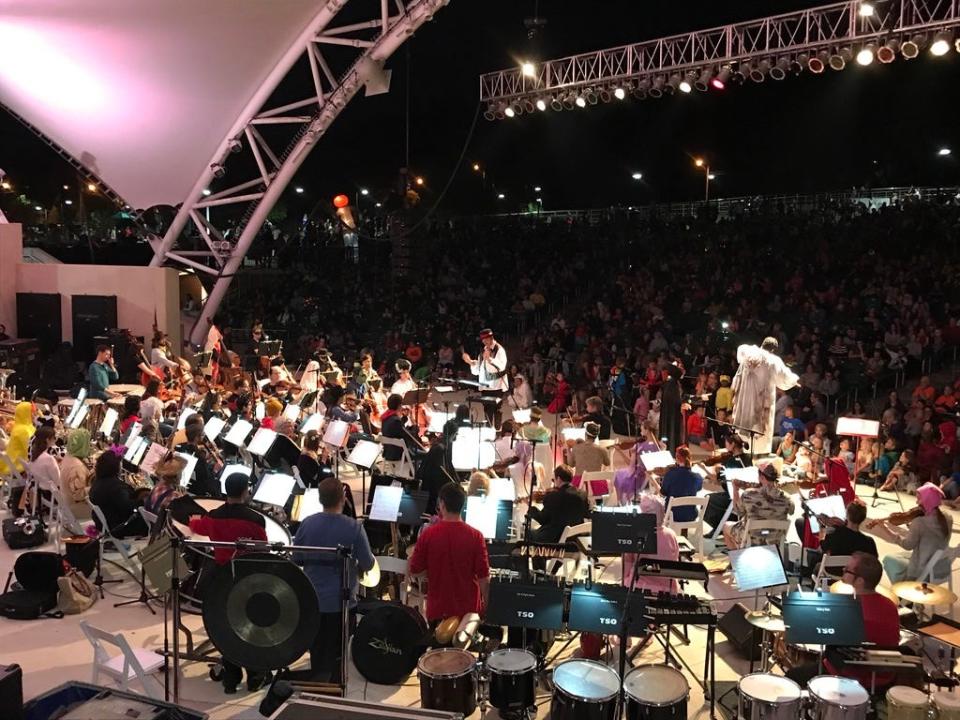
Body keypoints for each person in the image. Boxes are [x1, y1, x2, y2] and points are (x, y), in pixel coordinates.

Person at [189, 473, 270, 693]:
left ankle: (231, 677)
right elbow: (263, 549)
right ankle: (255, 676)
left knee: (228, 625)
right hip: (247, 578)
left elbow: (199, 527)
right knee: (250, 624)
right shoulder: (255, 520)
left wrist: (192, 520)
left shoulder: (214, 516)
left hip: (222, 577)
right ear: (245, 491)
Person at [294, 477, 375, 683]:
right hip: (343, 603)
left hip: (312, 600)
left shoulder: (307, 523)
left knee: (318, 649)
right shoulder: (354, 527)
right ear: (344, 497)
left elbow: (297, 559)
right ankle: (334, 687)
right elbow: (367, 564)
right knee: (338, 653)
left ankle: (316, 683)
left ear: (320, 499)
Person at [786, 552, 899, 689]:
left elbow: (826, 642)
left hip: (849, 676)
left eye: (847, 570)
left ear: (859, 581)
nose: (843, 571)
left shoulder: (847, 608)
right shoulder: (890, 606)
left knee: (792, 676)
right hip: (883, 678)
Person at [408, 482, 490, 625]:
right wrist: (487, 610)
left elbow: (414, 570)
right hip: (468, 613)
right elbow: (484, 578)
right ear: (463, 505)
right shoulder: (476, 536)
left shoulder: (428, 535)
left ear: (442, 504)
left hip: (438, 610)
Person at [868, 482, 952, 583]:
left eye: (919, 499)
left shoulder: (919, 523)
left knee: (888, 559)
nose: (917, 502)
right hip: (941, 567)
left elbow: (907, 545)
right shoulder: (948, 518)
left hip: (923, 572)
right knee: (902, 555)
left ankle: (902, 591)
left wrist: (885, 529)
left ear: (927, 501)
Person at [731, 337, 800, 455]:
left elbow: (740, 351)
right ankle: (759, 453)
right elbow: (784, 377)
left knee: (746, 423)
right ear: (773, 350)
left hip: (746, 398)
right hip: (762, 399)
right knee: (761, 425)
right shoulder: (773, 360)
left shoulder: (748, 352)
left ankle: (742, 449)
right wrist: (795, 380)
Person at [723, 463, 793, 549]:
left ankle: (736, 560)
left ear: (762, 477)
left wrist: (735, 490)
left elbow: (738, 511)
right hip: (774, 540)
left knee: (726, 526)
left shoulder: (748, 494)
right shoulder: (787, 498)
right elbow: (792, 511)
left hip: (751, 539)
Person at [89, 450, 147, 538]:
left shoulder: (97, 482)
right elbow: (129, 508)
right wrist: (142, 500)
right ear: (114, 467)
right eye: (120, 464)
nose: (121, 466)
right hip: (119, 527)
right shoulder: (115, 487)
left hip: (106, 524)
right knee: (153, 519)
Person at [526, 464, 589, 543]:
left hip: (555, 540)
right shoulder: (582, 494)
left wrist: (531, 508)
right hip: (575, 541)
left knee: (528, 533)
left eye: (554, 480)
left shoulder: (553, 496)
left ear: (558, 479)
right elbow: (586, 514)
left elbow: (542, 519)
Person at [462, 328, 508, 427]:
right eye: (482, 340)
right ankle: (488, 429)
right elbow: (477, 371)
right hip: (485, 386)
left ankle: (496, 431)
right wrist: (470, 362)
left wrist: (490, 359)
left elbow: (502, 366)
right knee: (487, 409)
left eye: (486, 339)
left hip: (496, 386)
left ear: (491, 337)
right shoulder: (483, 351)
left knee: (495, 409)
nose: (484, 342)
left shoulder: (499, 350)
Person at [660, 446, 703, 522]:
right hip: (690, 514)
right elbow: (698, 488)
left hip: (673, 514)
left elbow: (663, 493)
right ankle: (684, 532)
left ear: (677, 459)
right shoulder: (697, 477)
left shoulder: (670, 474)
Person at [60, 428, 93, 525]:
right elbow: (78, 495)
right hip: (76, 507)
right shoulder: (77, 467)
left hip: (67, 502)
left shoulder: (69, 457)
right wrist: (96, 488)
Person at [659, 362, 684, 451]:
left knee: (670, 432)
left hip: (671, 415)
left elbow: (675, 401)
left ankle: (670, 450)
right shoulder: (671, 384)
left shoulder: (671, 384)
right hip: (670, 413)